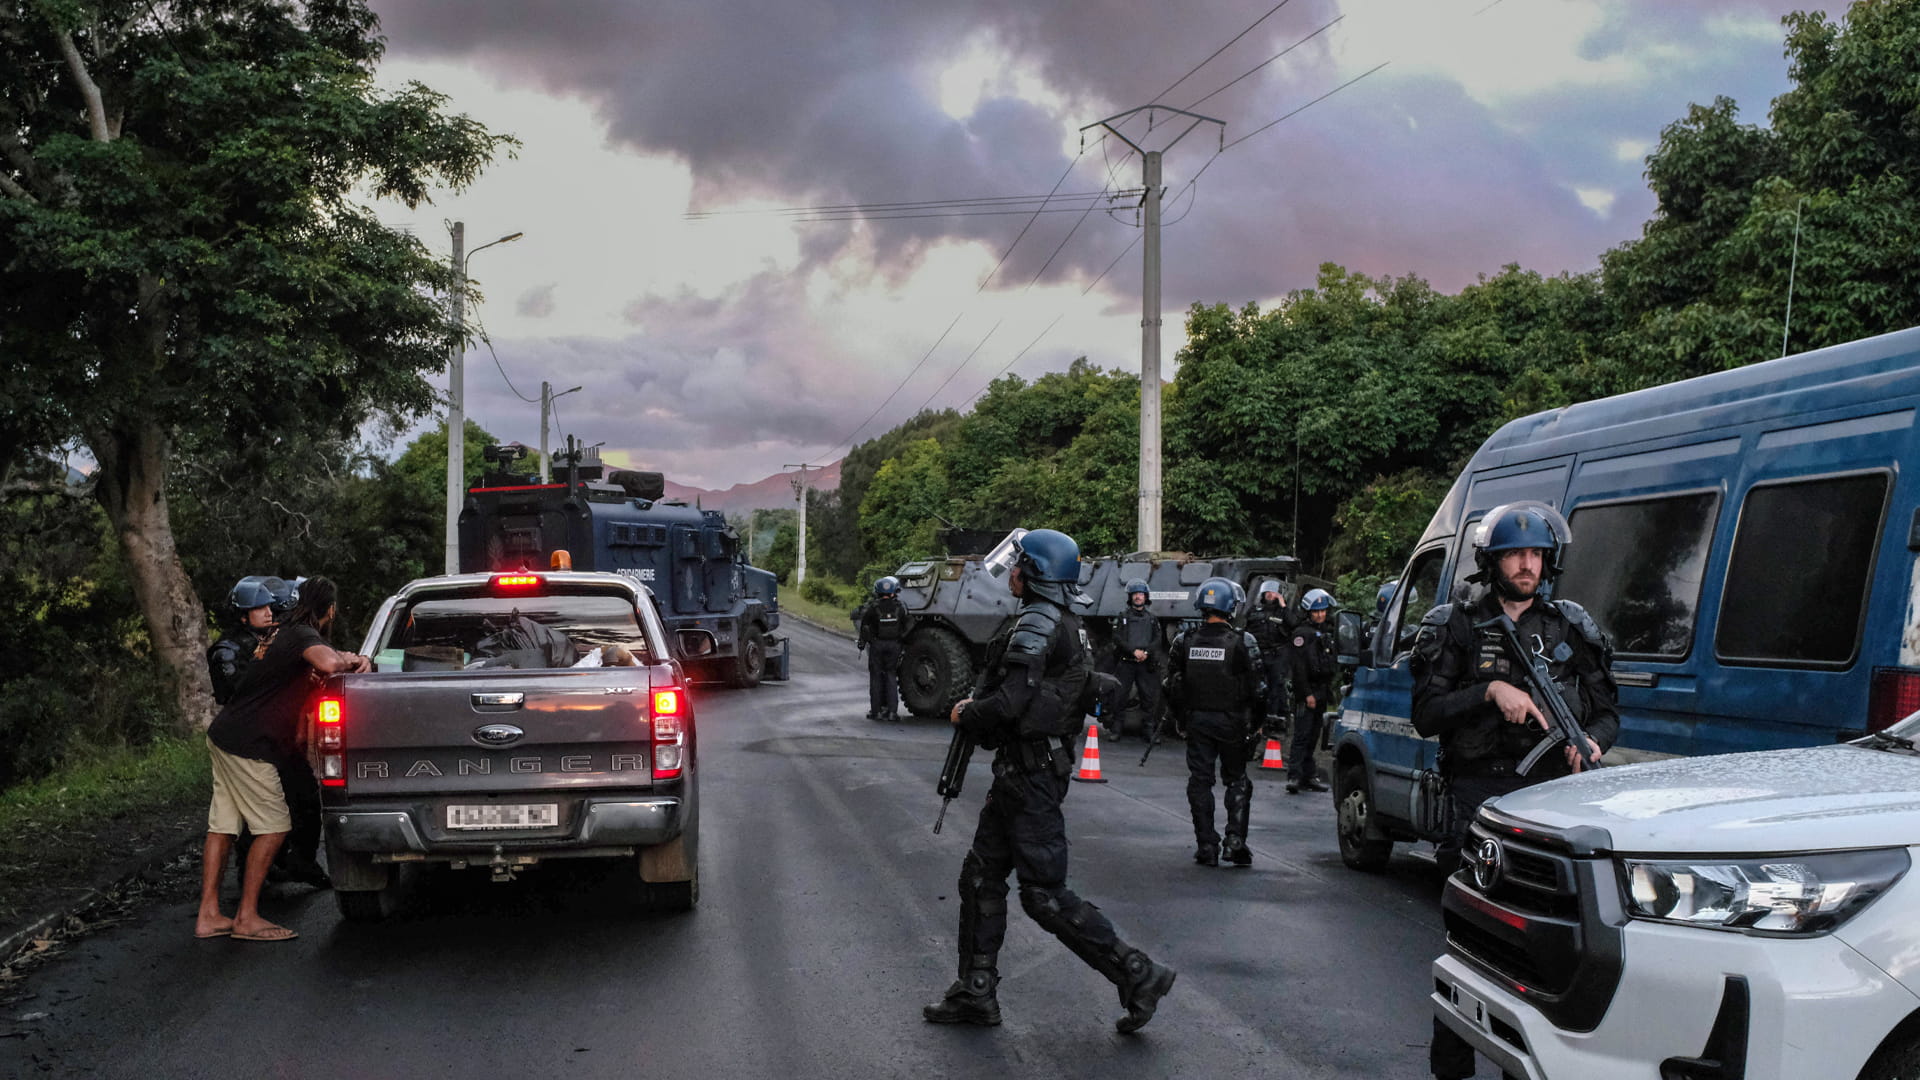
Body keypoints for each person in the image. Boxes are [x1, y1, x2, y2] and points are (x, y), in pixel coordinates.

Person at [923, 528, 1177, 1033]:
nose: (1012, 572)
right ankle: (976, 993)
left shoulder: (1039, 620)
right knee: (980, 877)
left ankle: (1137, 972)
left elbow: (1010, 702)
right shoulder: (1068, 620)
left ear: (1036, 574)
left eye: (1020, 564)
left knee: (1045, 895)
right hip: (1025, 772)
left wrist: (966, 714)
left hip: (1032, 776)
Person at [1411, 502, 1618, 1080]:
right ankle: (1450, 1066)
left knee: (1539, 949)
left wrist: (1592, 744)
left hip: (1549, 800)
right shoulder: (1455, 623)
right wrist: (1489, 692)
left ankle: (1523, 1064)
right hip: (1477, 798)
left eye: (1535, 555)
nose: (1526, 565)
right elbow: (1426, 713)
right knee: (1467, 940)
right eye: (1514, 555)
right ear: (1492, 561)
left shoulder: (1571, 627)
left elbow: (1607, 712)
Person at [196, 577, 369, 942]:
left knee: (224, 825)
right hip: (250, 743)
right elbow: (329, 664)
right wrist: (353, 659)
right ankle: (246, 918)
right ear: (330, 610)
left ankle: (209, 915)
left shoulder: (283, 633)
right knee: (274, 827)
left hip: (228, 733)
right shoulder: (303, 634)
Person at [1165, 577, 1264, 867]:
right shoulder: (1244, 642)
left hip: (1197, 721)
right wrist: (1256, 723)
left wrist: (1182, 719)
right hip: (1232, 722)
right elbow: (1260, 690)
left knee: (1200, 781)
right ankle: (1235, 842)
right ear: (1231, 607)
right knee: (1237, 780)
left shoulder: (1185, 642)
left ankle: (1206, 845)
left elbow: (1171, 685)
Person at [1286, 588, 1338, 795]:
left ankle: (1308, 774)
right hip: (1307, 692)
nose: (1320, 615)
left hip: (1322, 691)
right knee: (1301, 735)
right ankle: (1294, 775)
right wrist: (1306, 694)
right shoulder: (1301, 634)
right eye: (1316, 611)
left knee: (1314, 736)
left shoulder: (1326, 632)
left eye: (1323, 610)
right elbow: (1298, 669)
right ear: (1308, 612)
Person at [1105, 578, 1165, 742]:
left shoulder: (1152, 619)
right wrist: (1133, 651)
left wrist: (1145, 652)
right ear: (1130, 597)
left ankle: (1149, 731)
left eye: (1141, 594)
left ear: (1146, 597)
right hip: (1126, 662)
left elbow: (1158, 639)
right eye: (1135, 594)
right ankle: (1117, 729)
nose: (1138, 597)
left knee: (1149, 698)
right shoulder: (1122, 617)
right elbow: (1117, 638)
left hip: (1145, 663)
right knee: (1120, 696)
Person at [206, 577, 279, 705]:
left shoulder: (268, 640)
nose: (269, 613)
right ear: (243, 616)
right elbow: (241, 691)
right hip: (242, 720)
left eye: (269, 607)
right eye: (261, 608)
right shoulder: (226, 651)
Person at [1243, 579, 1293, 742]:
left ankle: (1276, 722)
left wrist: (1284, 605)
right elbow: (1245, 629)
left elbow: (1294, 624)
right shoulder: (1254, 611)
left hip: (1277, 654)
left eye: (1274, 592)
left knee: (1277, 688)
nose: (1271, 595)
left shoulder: (1282, 612)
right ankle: (1257, 723)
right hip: (1259, 655)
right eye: (1268, 592)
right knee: (1257, 688)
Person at [858, 575, 909, 720]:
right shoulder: (900, 608)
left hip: (877, 645)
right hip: (894, 645)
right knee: (891, 676)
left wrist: (862, 643)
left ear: (877, 591)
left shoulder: (873, 608)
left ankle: (876, 711)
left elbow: (864, 626)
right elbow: (907, 625)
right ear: (893, 592)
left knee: (876, 677)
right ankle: (892, 712)